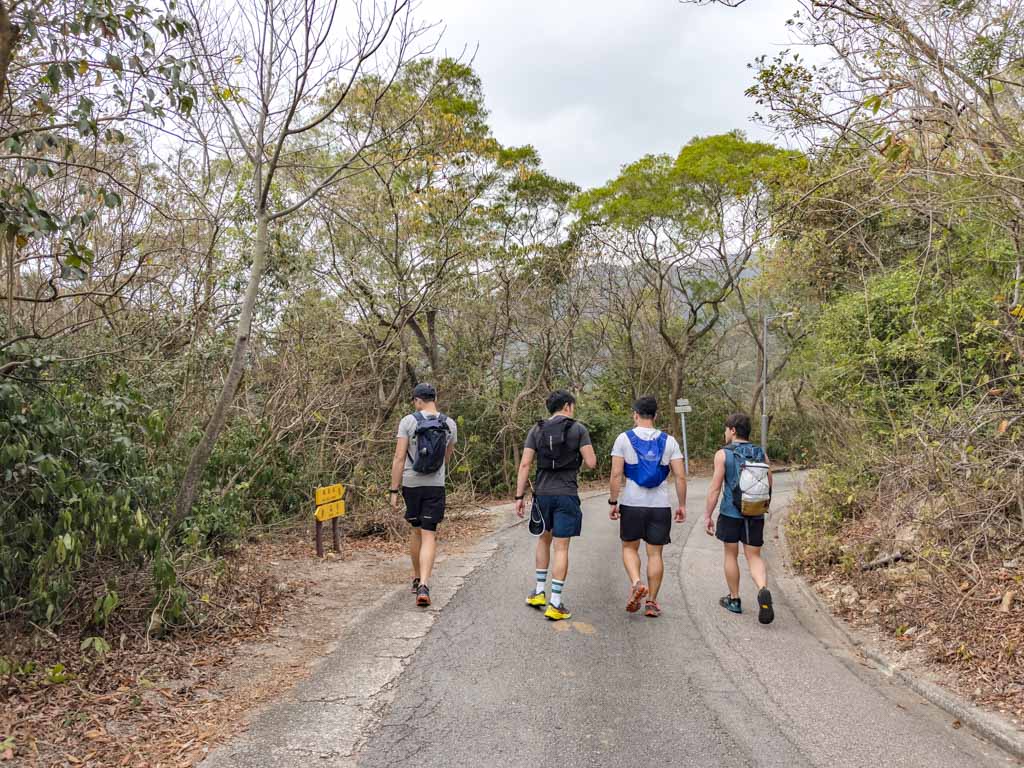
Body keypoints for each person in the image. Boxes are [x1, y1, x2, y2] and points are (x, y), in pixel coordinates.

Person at [514, 390, 597, 621]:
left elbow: (524, 465)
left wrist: (519, 497)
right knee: (561, 548)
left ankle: (539, 592)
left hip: (542, 495)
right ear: (568, 406)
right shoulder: (578, 429)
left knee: (543, 539)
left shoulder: (536, 429)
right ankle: (556, 602)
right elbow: (591, 463)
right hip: (566, 494)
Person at [608, 396, 687, 617]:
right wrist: (681, 505)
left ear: (635, 414)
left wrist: (613, 502)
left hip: (632, 503)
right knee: (655, 554)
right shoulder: (669, 441)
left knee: (629, 548)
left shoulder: (623, 439)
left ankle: (636, 582)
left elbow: (616, 474)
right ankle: (652, 602)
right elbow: (680, 477)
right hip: (660, 505)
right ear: (656, 415)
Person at [703, 413, 775, 624]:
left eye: (726, 429)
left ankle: (734, 600)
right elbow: (769, 484)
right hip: (754, 512)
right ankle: (762, 589)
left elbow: (715, 488)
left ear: (733, 430)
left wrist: (707, 515)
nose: (725, 433)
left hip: (730, 512)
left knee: (730, 554)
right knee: (754, 556)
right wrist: (762, 507)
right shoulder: (761, 453)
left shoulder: (723, 454)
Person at [390, 383, 458, 607]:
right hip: (435, 485)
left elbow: (399, 458)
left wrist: (393, 490)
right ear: (434, 398)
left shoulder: (408, 421)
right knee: (430, 534)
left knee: (416, 531)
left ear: (418, 400)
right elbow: (447, 458)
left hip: (411, 484)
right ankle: (425, 585)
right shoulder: (449, 423)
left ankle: (416, 577)